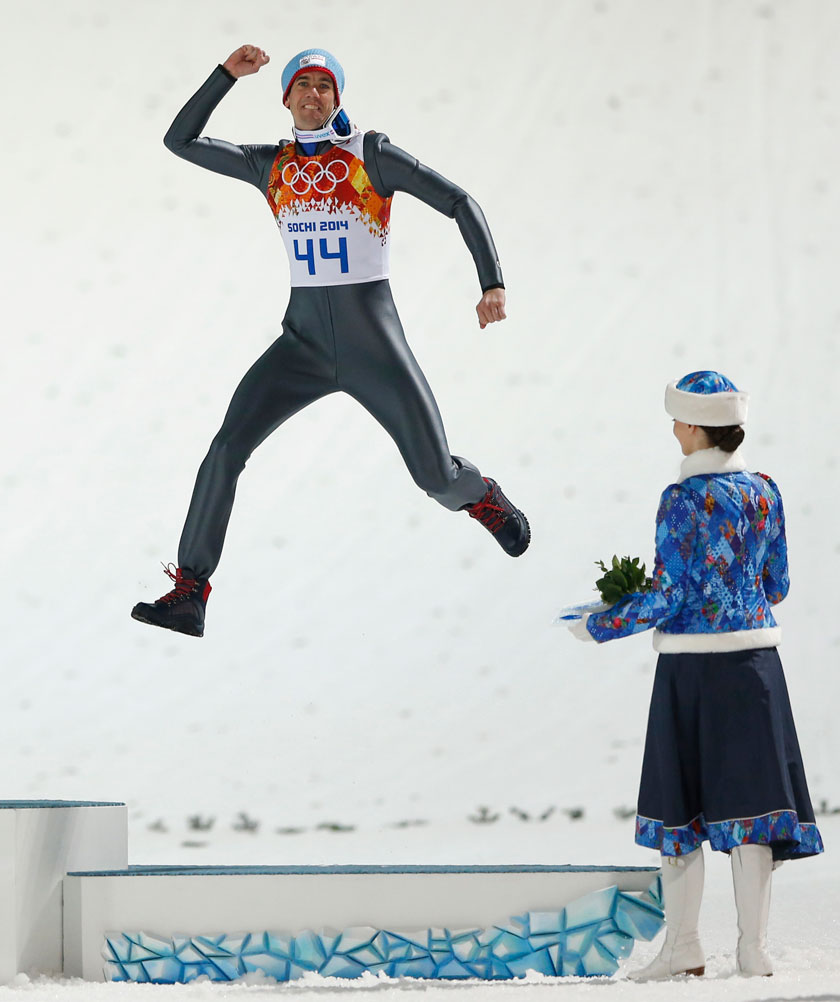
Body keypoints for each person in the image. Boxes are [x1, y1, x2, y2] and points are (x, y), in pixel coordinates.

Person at [132, 45, 529, 638]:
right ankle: (190, 592)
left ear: (337, 97)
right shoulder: (270, 165)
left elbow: (458, 201)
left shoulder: (371, 154)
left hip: (374, 347)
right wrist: (225, 76)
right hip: (303, 346)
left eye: (325, 85)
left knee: (434, 476)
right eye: (303, 84)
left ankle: (481, 496)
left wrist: (491, 282)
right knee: (225, 448)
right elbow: (180, 141)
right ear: (286, 97)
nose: (313, 94)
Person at [565, 371, 822, 979]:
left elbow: (669, 595)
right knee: (753, 811)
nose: (674, 429)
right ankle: (753, 950)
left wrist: (599, 623)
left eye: (678, 420)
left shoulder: (680, 500)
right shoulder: (766, 492)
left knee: (678, 812)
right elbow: (777, 585)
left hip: (690, 673)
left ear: (696, 426)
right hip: (755, 669)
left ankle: (683, 948)